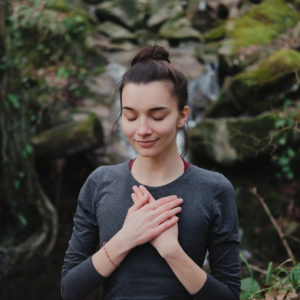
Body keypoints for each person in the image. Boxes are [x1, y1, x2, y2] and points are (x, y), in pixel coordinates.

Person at [61, 45, 241, 300]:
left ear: (182, 115)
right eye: (131, 116)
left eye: (157, 116)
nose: (142, 129)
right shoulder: (100, 182)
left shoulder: (213, 189)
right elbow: (70, 289)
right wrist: (126, 238)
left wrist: (172, 252)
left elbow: (230, 297)